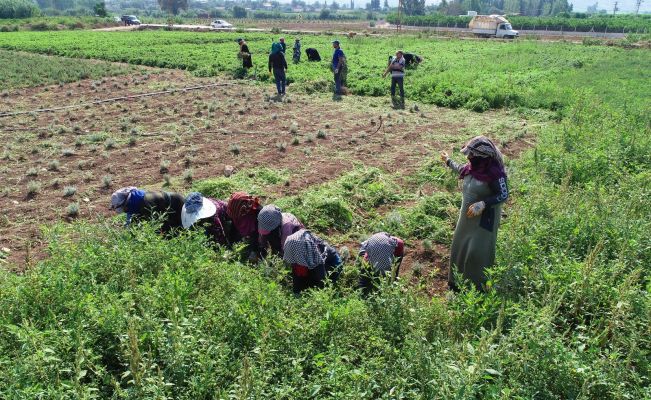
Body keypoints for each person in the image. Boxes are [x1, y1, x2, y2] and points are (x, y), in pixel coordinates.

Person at [440, 136, 509, 291]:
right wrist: (448, 161)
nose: (468, 157)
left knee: (477, 252)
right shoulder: (472, 168)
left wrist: (484, 204)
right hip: (466, 219)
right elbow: (460, 169)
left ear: (481, 156)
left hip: (484, 220)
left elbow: (503, 194)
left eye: (471, 155)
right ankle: (456, 283)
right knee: (460, 247)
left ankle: (476, 288)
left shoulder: (495, 174)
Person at [283, 229, 342, 294]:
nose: (295, 261)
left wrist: (322, 292)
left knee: (325, 278)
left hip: (332, 262)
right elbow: (296, 276)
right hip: (313, 263)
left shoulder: (312, 254)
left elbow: (322, 278)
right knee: (301, 274)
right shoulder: (293, 248)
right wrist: (296, 292)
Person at [110, 187, 185, 233]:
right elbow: (132, 223)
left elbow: (157, 223)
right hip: (164, 209)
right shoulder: (133, 204)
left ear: (125, 203)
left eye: (123, 208)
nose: (124, 210)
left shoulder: (146, 202)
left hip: (176, 205)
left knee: (178, 230)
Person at [226, 192, 262, 258]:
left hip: (256, 235)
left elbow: (257, 233)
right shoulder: (235, 210)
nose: (235, 218)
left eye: (236, 217)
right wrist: (230, 246)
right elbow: (233, 228)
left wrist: (254, 251)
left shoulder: (258, 214)